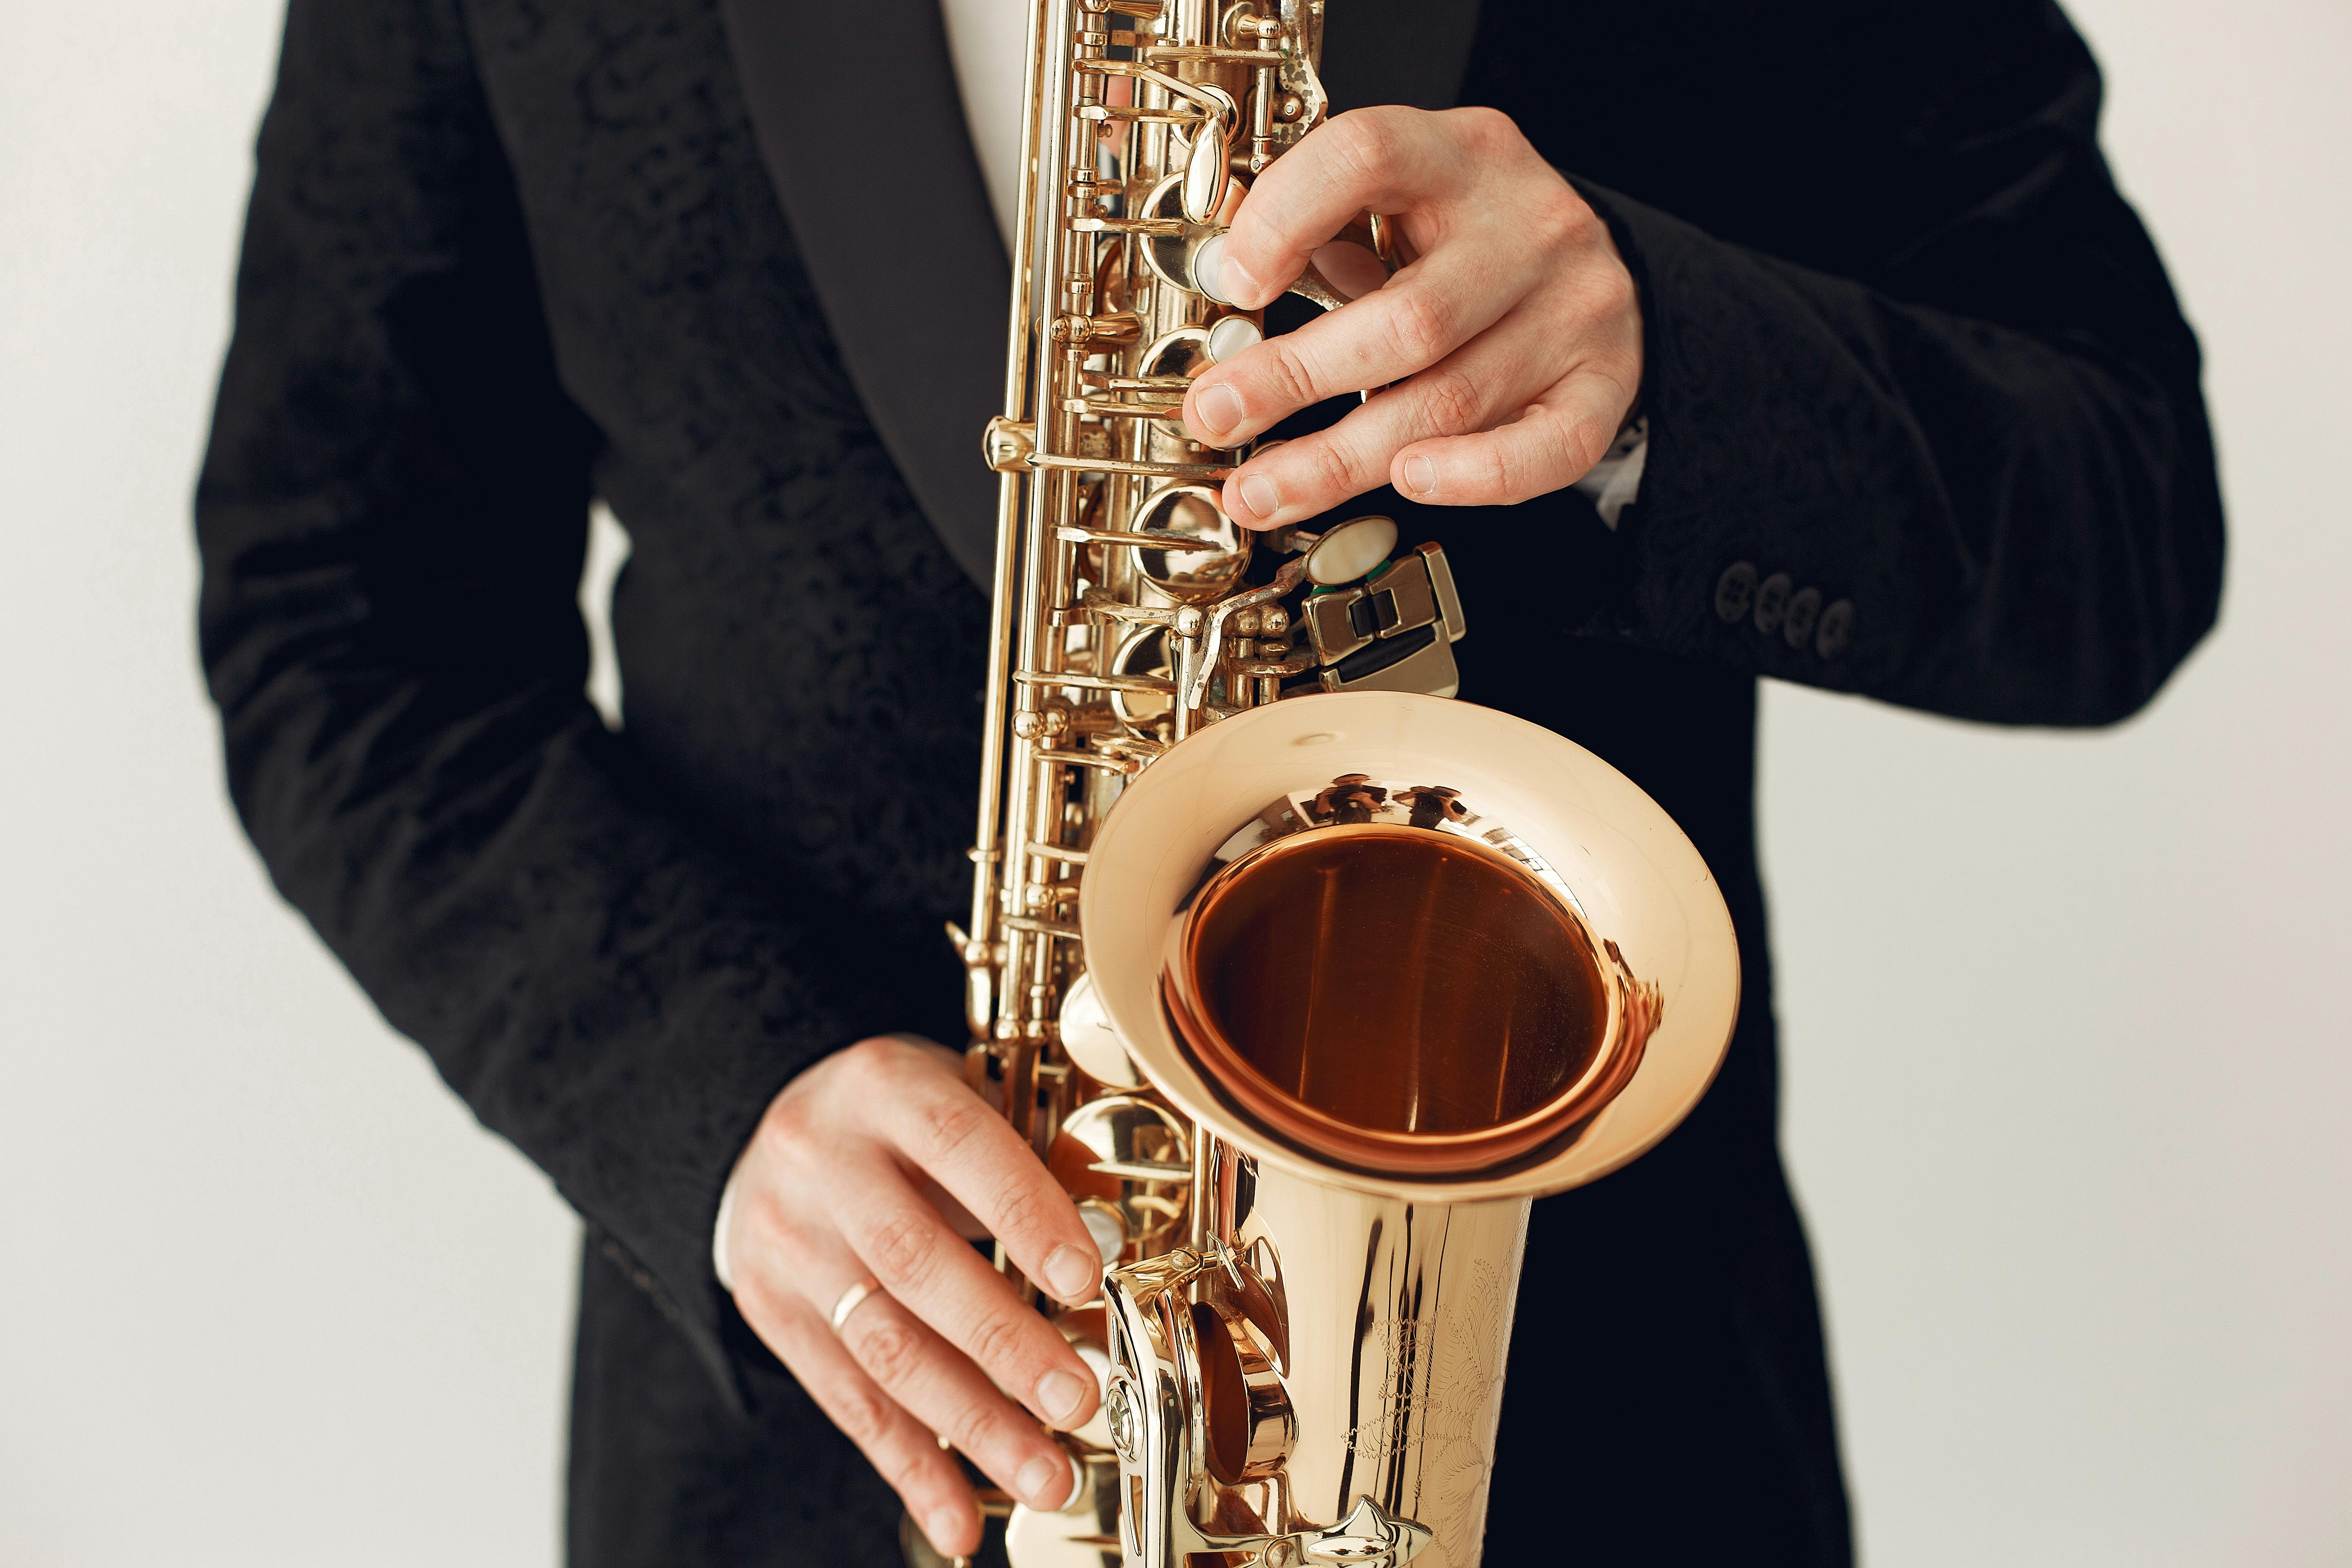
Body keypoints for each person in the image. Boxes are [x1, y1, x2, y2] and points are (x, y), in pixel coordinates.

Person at [194, 0, 2222, 1564]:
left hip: (1593, 1447)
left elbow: (2127, 507)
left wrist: (1656, 366)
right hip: (834, 1470)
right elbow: (334, 603)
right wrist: (705, 1093)